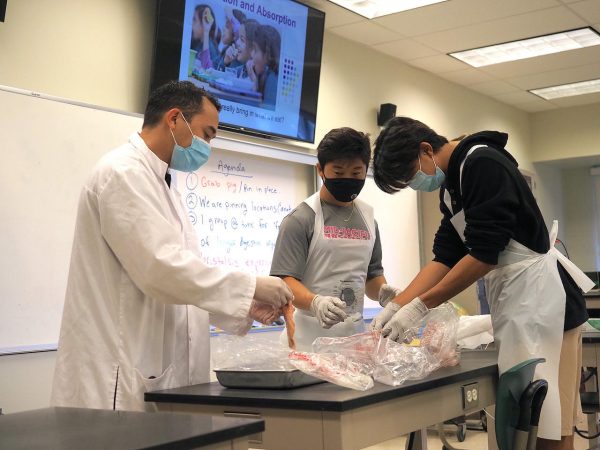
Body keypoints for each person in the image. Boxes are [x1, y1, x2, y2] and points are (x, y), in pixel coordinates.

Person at [51, 81, 293, 411]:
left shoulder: (163, 186)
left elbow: (180, 285)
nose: (208, 146)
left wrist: (243, 305)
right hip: (118, 377)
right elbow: (161, 270)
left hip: (157, 373)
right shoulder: (122, 173)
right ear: (175, 119)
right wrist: (250, 285)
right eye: (207, 134)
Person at [370, 117, 594, 450]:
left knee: (549, 425)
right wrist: (398, 304)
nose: (414, 183)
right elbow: (444, 258)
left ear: (426, 150)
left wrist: (421, 305)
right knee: (521, 426)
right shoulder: (452, 188)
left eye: (408, 177)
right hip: (520, 303)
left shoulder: (482, 163)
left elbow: (485, 254)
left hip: (550, 307)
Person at [270, 127, 401, 351]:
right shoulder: (300, 219)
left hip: (354, 338)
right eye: (339, 173)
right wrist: (315, 302)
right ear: (320, 169)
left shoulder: (369, 219)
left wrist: (383, 292)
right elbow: (285, 281)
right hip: (306, 342)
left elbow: (371, 277)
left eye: (356, 173)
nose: (348, 179)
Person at [247, 24, 280, 108]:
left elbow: (262, 116)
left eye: (255, 50)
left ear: (267, 55)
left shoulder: (272, 80)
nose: (251, 54)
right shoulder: (264, 77)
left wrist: (254, 87)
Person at [191, 4, 221, 71]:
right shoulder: (197, 43)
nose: (192, 23)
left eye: (194, 20)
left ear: (204, 23)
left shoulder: (210, 48)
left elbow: (209, 72)